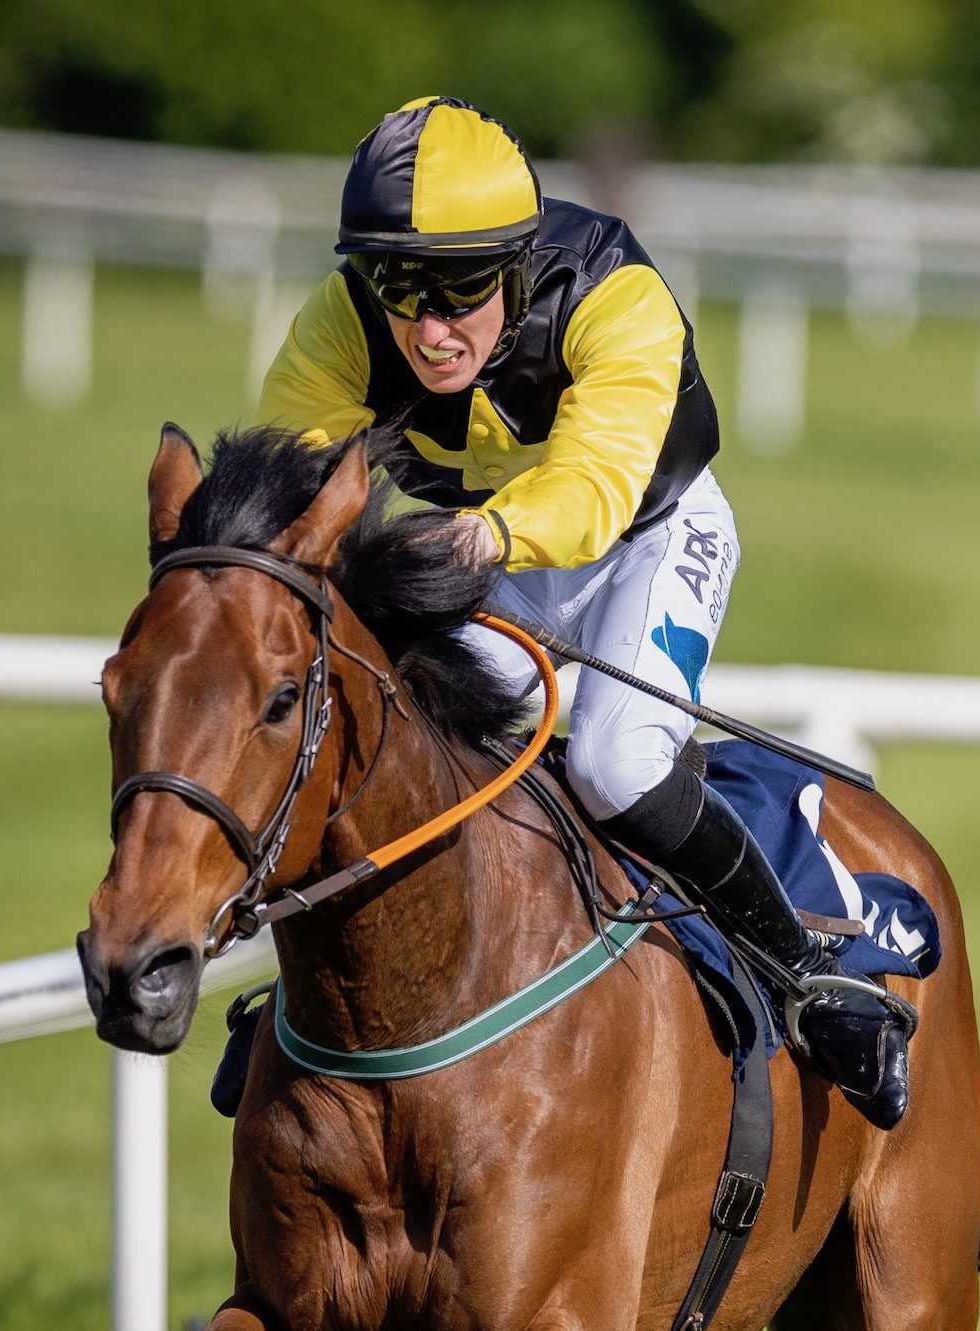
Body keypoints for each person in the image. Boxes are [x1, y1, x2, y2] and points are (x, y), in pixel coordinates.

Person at [257, 96, 910, 1128]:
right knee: (396, 738)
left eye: (461, 285)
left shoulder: (615, 291)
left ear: (519, 265)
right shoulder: (343, 323)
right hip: (497, 548)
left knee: (616, 761)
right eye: (397, 284)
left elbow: (592, 491)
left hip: (650, 529)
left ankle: (809, 979)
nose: (429, 328)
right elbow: (287, 492)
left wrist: (472, 542)